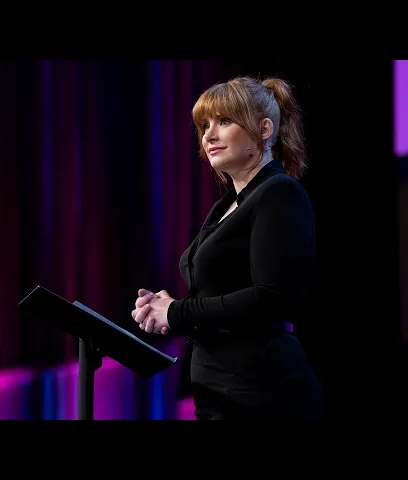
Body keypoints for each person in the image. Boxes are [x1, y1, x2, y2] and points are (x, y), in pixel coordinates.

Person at [131, 76, 326, 420]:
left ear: (264, 130)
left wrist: (177, 312)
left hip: (263, 393)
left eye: (223, 121)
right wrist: (164, 308)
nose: (208, 135)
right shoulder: (225, 206)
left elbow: (273, 297)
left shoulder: (279, 194)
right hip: (220, 392)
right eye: (204, 125)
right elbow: (218, 294)